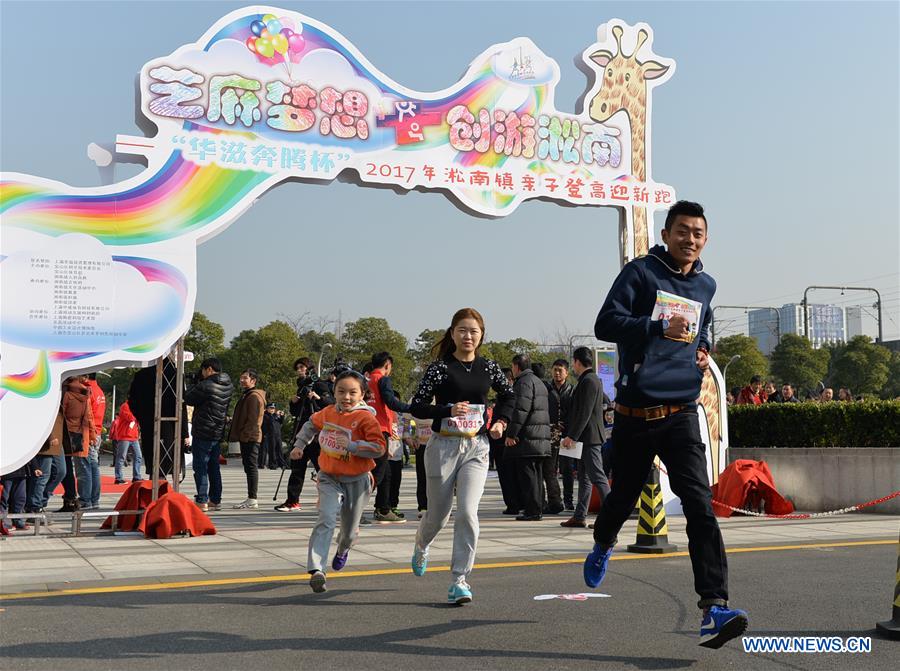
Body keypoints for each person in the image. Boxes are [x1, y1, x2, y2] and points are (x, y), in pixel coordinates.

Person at [590, 200, 748, 648]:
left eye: (698, 233)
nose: (690, 239)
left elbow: (702, 330)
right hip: (635, 414)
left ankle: (714, 608)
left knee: (700, 505)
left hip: (681, 412)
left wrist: (703, 351)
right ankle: (603, 543)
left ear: (706, 238)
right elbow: (606, 323)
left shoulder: (707, 284)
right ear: (666, 233)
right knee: (621, 499)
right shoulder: (640, 273)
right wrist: (657, 327)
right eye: (682, 231)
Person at [408, 308, 514, 605]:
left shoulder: (489, 367)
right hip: (443, 446)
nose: (468, 336)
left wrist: (501, 422)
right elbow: (417, 406)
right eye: (462, 330)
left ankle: (459, 579)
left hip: (476, 447)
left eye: (474, 331)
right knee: (438, 516)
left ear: (481, 335)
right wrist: (447, 410)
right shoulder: (439, 368)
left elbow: (509, 395)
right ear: (452, 333)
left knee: (468, 512)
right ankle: (421, 543)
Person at [291, 369, 386, 593]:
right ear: (334, 392)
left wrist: (352, 446)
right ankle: (317, 570)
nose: (346, 397)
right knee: (325, 517)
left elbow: (379, 448)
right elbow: (310, 425)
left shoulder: (366, 418)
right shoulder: (327, 412)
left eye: (353, 392)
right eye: (341, 391)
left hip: (358, 479)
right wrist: (299, 445)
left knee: (349, 532)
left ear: (362, 394)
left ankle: (343, 550)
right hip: (328, 477)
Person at [560, 348, 611, 528]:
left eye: (573, 362)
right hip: (584, 438)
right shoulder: (589, 380)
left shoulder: (589, 380)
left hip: (590, 438)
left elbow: (585, 412)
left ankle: (610, 517)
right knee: (584, 478)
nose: (573, 365)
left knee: (597, 476)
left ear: (577, 362)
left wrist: (571, 436)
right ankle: (580, 515)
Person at [276, 358, 334, 512]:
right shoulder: (301, 388)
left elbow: (331, 404)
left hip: (317, 433)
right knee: (297, 468)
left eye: (302, 367)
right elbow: (296, 412)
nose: (299, 370)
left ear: (309, 368)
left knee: (322, 470)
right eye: (297, 368)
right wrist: (293, 402)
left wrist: (317, 398)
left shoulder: (320, 385)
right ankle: (292, 501)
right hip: (302, 431)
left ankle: (330, 499)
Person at [504, 354, 551, 521]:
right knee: (537, 476)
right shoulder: (539, 382)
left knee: (528, 477)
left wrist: (511, 434)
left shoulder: (523, 383)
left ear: (517, 366)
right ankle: (537, 508)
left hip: (528, 438)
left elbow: (520, 411)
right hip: (541, 437)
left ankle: (532, 510)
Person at [183, 357, 234, 511]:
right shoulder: (229, 385)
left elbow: (188, 398)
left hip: (203, 430)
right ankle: (215, 500)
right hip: (217, 432)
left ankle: (202, 499)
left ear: (209, 369)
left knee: (200, 467)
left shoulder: (206, 385)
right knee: (214, 467)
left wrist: (193, 383)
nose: (202, 373)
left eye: (203, 370)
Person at [368, 352, 411, 523]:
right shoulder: (382, 379)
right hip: (380, 428)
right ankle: (349, 505)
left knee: (385, 472)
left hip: (368, 426)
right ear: (387, 365)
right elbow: (391, 402)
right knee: (378, 472)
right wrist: (411, 408)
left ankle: (383, 509)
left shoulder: (366, 380)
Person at [128, 360, 189, 480]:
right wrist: (184, 432)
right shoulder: (176, 375)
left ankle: (156, 488)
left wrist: (142, 417)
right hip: (172, 426)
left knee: (154, 463)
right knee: (168, 462)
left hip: (149, 424)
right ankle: (163, 491)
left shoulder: (141, 375)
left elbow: (132, 401)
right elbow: (182, 406)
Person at [228, 369, 266, 509]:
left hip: (251, 437)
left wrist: (245, 435)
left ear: (253, 381)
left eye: (245, 378)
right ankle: (251, 497)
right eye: (241, 377)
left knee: (251, 467)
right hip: (249, 436)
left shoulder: (254, 397)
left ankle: (252, 498)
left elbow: (253, 420)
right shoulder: (248, 395)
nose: (242, 380)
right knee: (249, 467)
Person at [63, 376, 98, 510]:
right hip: (83, 434)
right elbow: (89, 416)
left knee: (81, 470)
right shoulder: (86, 394)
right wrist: (92, 435)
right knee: (90, 467)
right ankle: (93, 500)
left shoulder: (67, 393)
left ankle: (85, 500)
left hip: (69, 435)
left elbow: (62, 414)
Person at [550, 359, 576, 511]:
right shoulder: (547, 389)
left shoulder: (572, 390)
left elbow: (575, 412)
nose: (557, 373)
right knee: (551, 468)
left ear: (566, 372)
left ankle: (568, 500)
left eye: (560, 370)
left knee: (567, 469)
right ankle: (554, 499)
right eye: (555, 369)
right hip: (551, 433)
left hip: (568, 434)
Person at [109, 401, 144, 484]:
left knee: (138, 456)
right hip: (124, 436)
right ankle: (118, 478)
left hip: (134, 437)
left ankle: (136, 476)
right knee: (121, 457)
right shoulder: (125, 406)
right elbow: (130, 417)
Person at [261, 403, 286, 469]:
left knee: (280, 450)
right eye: (271, 408)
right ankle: (272, 464)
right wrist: (276, 415)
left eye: (273, 408)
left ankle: (282, 464)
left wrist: (282, 416)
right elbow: (270, 421)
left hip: (278, 435)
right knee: (272, 451)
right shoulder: (265, 416)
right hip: (270, 435)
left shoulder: (275, 415)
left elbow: (281, 422)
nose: (272, 410)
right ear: (267, 409)